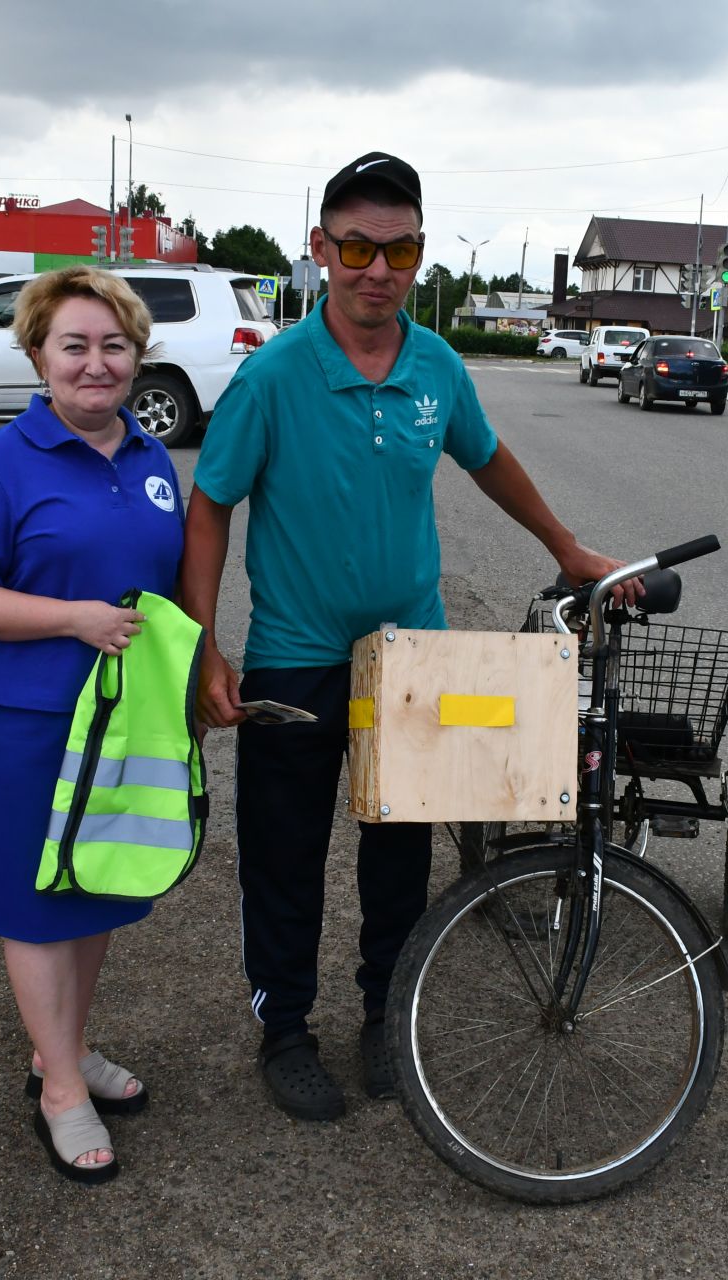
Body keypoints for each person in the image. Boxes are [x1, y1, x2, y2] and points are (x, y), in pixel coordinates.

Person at [180, 151, 629, 1122]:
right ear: (321, 251)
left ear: (420, 253)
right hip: (295, 655)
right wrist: (205, 643)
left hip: (410, 657)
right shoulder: (273, 376)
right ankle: (286, 1029)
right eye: (356, 246)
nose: (376, 267)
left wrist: (566, 544)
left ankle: (387, 1012)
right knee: (285, 852)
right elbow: (209, 505)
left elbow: (488, 458)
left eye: (399, 248)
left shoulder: (437, 366)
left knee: (398, 852)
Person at [0, 266, 186, 1183]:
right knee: (35, 905)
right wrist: (71, 617)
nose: (95, 363)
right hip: (28, 724)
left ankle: (61, 1050)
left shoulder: (153, 463)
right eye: (74, 345)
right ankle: (61, 1092)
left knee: (94, 886)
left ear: (136, 357)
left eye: (114, 345)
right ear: (38, 353)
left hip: (121, 726)